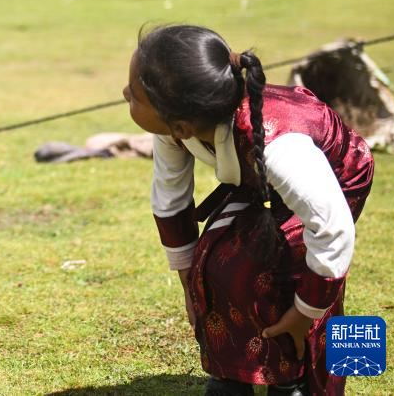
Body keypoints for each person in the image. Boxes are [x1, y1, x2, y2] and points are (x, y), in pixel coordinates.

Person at [122, 25, 374, 396]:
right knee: (215, 263)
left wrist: (304, 313)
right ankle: (232, 372)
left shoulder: (282, 149)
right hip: (262, 179)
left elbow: (332, 230)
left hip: (335, 180)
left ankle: (296, 376)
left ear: (182, 125)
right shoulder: (174, 127)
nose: (124, 93)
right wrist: (192, 288)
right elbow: (171, 200)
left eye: (133, 95)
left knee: (282, 272)